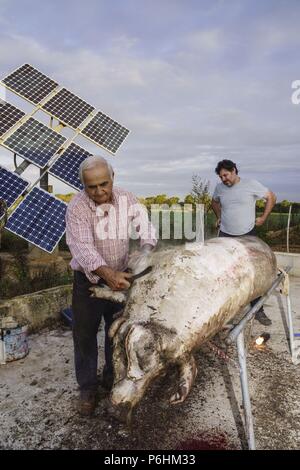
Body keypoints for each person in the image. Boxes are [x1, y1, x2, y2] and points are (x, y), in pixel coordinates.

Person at [65, 155, 157, 416]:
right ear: (84, 185)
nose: (99, 191)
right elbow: (82, 248)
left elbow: (145, 228)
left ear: (113, 177)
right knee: (84, 335)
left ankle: (111, 376)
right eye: (91, 186)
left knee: (115, 332)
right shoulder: (77, 207)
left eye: (103, 184)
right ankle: (88, 388)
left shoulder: (127, 198)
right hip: (89, 281)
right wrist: (107, 274)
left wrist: (146, 250)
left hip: (121, 277)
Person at [212, 159, 276, 326]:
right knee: (226, 273)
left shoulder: (250, 184)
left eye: (225, 175)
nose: (223, 179)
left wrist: (263, 217)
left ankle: (258, 310)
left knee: (253, 273)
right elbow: (214, 201)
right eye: (221, 177)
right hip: (225, 235)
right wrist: (219, 217)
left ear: (234, 170)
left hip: (248, 234)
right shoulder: (219, 188)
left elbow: (271, 197)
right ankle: (226, 310)